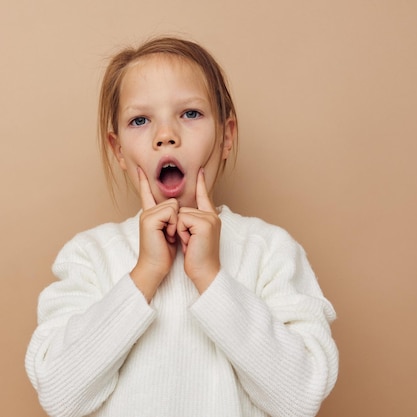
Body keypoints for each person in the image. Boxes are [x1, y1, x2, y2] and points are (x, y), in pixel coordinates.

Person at [25, 36, 338, 417]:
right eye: (140, 120)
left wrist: (210, 276)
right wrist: (145, 273)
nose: (165, 135)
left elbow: (300, 397)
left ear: (226, 137)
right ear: (118, 150)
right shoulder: (90, 255)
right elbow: (59, 394)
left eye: (190, 113)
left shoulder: (269, 249)